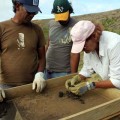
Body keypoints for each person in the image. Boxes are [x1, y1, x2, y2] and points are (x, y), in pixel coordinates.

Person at [0, 0, 46, 102]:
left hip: (32, 85)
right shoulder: (2, 28)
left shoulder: (37, 29)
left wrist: (39, 74)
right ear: (17, 6)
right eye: (29, 11)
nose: (32, 15)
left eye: (35, 12)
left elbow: (42, 57)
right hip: (6, 87)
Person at [65, 20, 120, 96]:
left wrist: (91, 86)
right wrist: (77, 78)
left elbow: (117, 81)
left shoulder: (115, 45)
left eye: (83, 45)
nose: (82, 49)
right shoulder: (90, 48)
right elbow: (87, 69)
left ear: (94, 36)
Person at [45, 0, 80, 79]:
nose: (61, 20)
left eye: (63, 17)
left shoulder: (76, 25)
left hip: (64, 72)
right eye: (59, 17)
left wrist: (73, 75)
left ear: (69, 11)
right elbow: (48, 44)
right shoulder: (51, 23)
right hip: (47, 69)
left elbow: (75, 53)